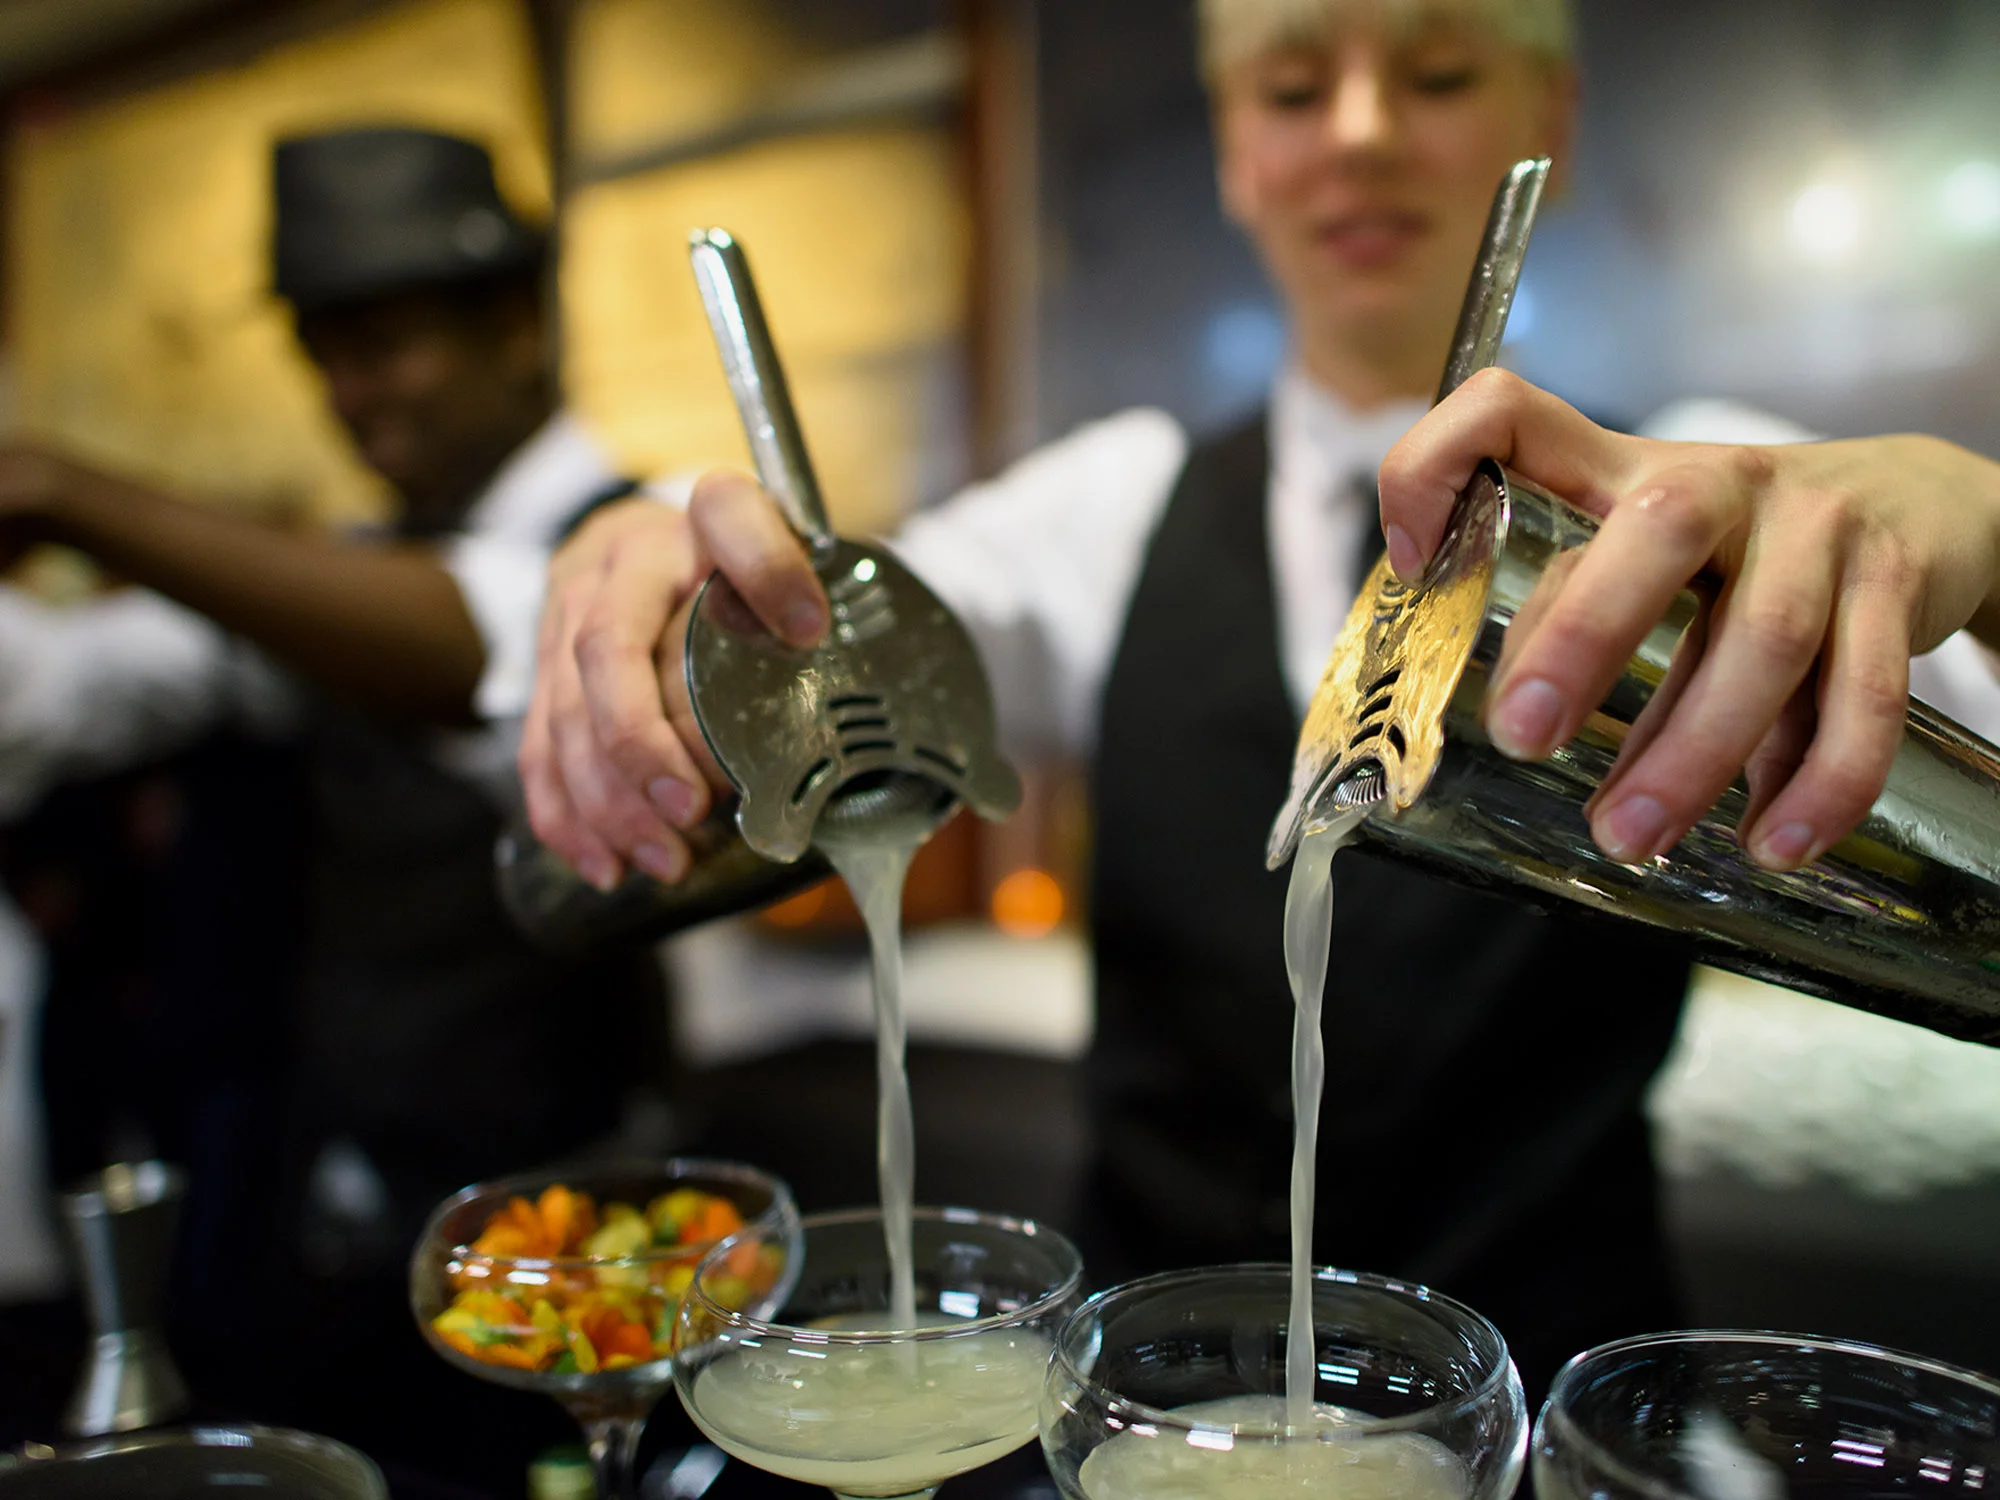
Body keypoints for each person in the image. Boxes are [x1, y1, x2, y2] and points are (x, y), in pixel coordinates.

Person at [0, 127, 664, 1477]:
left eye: (388, 341)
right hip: (345, 1227)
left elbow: (477, 647)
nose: (350, 393)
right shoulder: (325, 575)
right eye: (323, 349)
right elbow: (65, 694)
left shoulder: (637, 544)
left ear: (516, 325)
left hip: (581, 1234)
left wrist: (69, 490)